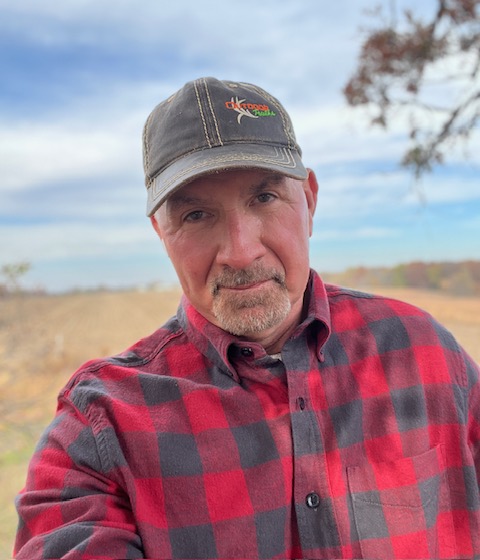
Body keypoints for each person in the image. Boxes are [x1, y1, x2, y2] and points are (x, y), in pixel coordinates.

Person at [14, 77, 480, 559]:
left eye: (265, 199)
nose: (240, 252)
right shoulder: (100, 428)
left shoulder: (424, 352)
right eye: (196, 215)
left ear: (309, 201)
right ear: (161, 232)